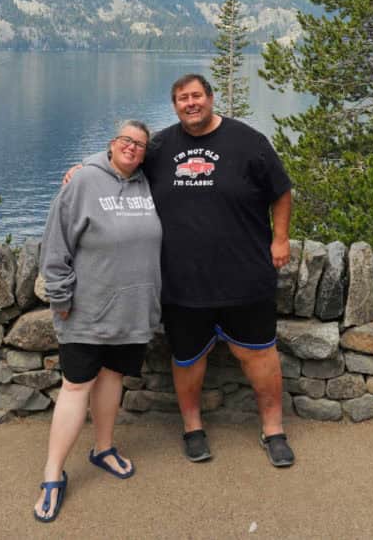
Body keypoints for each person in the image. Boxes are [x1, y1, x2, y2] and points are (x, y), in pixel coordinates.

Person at [142, 74, 294, 468]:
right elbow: (119, 166)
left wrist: (280, 239)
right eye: (181, 98)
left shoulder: (248, 142)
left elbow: (281, 191)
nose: (189, 103)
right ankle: (193, 429)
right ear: (174, 106)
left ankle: (273, 430)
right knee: (187, 359)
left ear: (211, 98)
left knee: (260, 357)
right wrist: (83, 171)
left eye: (196, 96)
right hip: (181, 280)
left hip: (245, 276)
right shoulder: (159, 147)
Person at [34, 120, 162, 523]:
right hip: (87, 311)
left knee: (112, 378)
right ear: (112, 144)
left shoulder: (148, 185)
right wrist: (60, 297)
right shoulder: (84, 181)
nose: (133, 148)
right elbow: (54, 247)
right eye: (126, 140)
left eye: (141, 144)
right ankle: (52, 474)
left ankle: (103, 449)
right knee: (75, 386)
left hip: (132, 310)